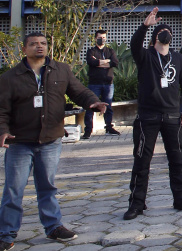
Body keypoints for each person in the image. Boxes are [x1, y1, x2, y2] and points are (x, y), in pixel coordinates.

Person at [0, 33, 107, 248]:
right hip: (20, 141)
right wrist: (2, 130)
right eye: (33, 44)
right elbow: (2, 110)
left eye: (43, 44)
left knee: (47, 186)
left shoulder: (61, 70)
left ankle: (53, 226)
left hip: (50, 140)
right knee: (13, 189)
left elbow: (79, 92)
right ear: (24, 50)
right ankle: (7, 234)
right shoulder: (10, 77)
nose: (39, 47)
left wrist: (93, 102)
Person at [124, 8, 182, 220]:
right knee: (142, 160)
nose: (165, 34)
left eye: (168, 32)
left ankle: (181, 198)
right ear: (155, 37)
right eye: (161, 31)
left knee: (177, 159)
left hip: (173, 116)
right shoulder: (145, 56)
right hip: (148, 117)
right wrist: (145, 26)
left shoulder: (178, 58)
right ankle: (137, 203)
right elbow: (134, 45)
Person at [83, 29, 120, 138]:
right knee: (90, 107)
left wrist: (99, 62)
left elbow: (115, 62)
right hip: (94, 83)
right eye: (100, 37)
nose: (102, 39)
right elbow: (91, 62)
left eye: (104, 37)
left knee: (108, 106)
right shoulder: (91, 51)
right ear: (95, 38)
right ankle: (88, 130)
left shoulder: (110, 51)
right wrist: (106, 61)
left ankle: (109, 127)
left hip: (108, 83)